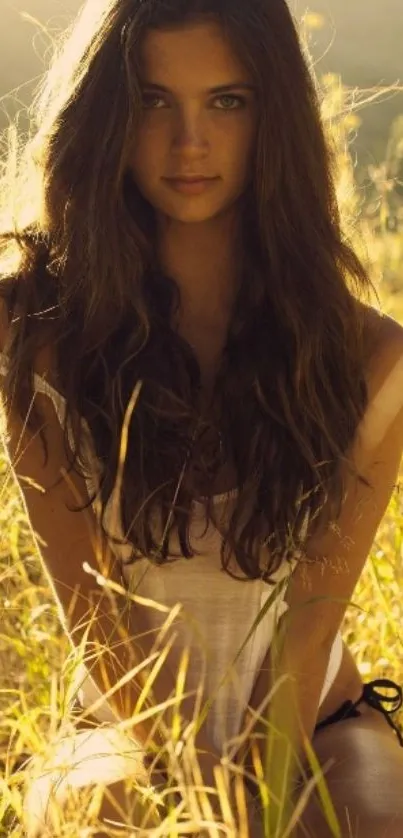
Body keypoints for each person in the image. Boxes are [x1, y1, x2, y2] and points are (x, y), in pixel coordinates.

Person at [0, 0, 403, 835]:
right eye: (154, 101)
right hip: (118, 722)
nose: (190, 142)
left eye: (228, 100)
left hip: (311, 718)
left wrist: (253, 794)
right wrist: (187, 791)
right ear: (108, 116)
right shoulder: (32, 336)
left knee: (368, 821)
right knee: (105, 813)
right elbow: (93, 620)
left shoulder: (371, 361)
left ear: (274, 116)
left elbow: (310, 620)